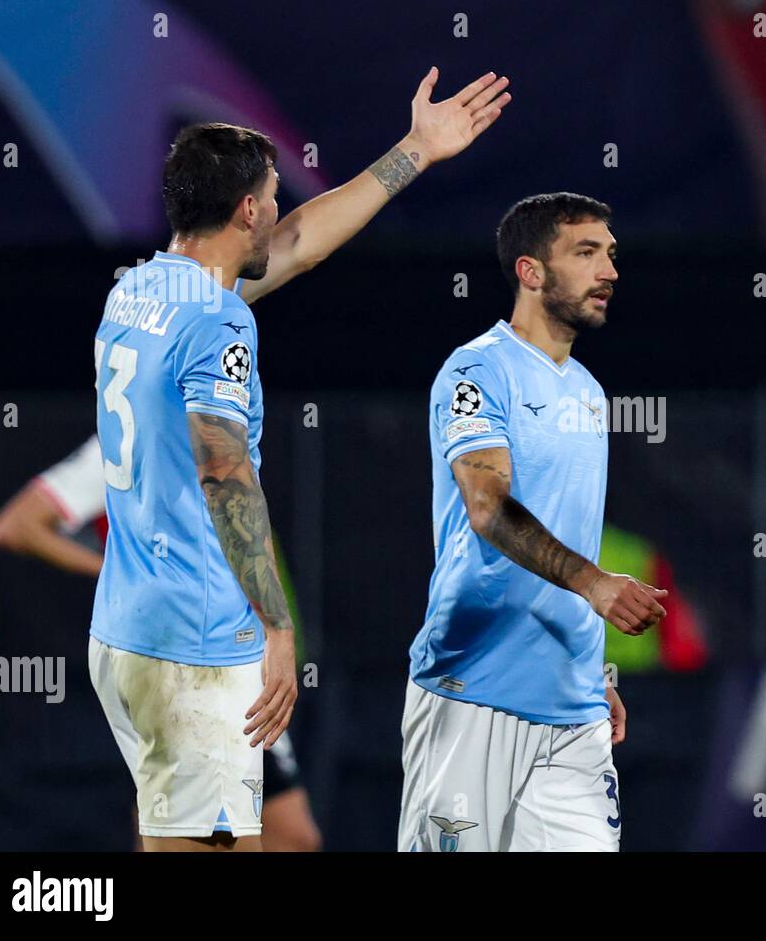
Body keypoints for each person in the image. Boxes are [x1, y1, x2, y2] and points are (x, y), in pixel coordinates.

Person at [89, 68, 509, 852]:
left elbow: (300, 245)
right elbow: (222, 469)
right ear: (247, 208)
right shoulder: (217, 322)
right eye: (274, 194)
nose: (280, 210)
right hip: (196, 644)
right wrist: (275, 624)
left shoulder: (139, 292)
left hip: (124, 633)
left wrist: (414, 152)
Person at [399, 193, 666, 852]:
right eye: (586, 253)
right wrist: (597, 586)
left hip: (573, 707)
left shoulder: (587, 390)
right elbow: (487, 508)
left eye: (610, 254)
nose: (609, 270)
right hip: (474, 688)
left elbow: (571, 528)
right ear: (531, 271)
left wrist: (596, 670)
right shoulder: (477, 370)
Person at [0, 435, 322, 851]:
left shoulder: (211, 427)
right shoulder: (126, 437)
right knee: (223, 831)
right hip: (181, 660)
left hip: (220, 656)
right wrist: (121, 571)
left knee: (248, 832)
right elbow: (15, 525)